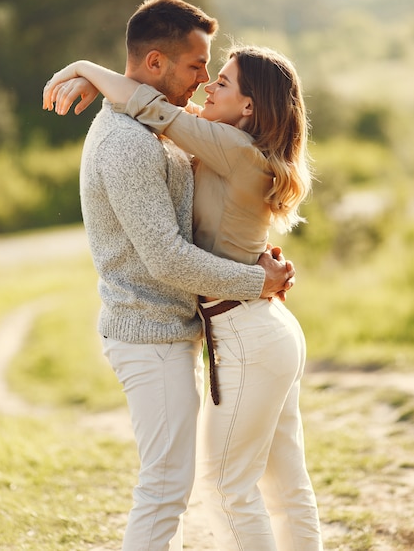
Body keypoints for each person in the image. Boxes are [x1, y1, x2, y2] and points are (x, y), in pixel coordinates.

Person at [43, 40, 323, 550]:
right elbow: (161, 104)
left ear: (249, 107)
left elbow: (152, 106)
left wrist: (85, 65)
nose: (208, 84)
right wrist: (101, 82)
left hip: (249, 332)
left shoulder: (232, 148)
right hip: (268, 329)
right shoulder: (234, 141)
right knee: (285, 486)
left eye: (223, 81)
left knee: (226, 487)